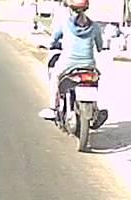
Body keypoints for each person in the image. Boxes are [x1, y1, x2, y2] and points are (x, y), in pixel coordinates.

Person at [39, 0, 108, 128]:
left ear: (70, 8)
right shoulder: (94, 27)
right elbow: (100, 47)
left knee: (55, 76)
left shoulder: (64, 24)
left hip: (68, 63)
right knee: (95, 79)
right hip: (88, 65)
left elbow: (53, 41)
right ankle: (95, 109)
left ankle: (52, 108)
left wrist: (52, 45)